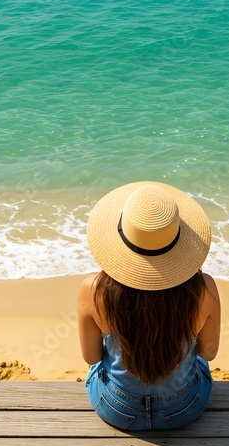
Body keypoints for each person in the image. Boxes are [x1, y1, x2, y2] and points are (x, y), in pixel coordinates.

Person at [77, 181, 221, 430]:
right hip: (184, 408)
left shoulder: (92, 289)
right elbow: (207, 353)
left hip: (117, 409)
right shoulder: (204, 288)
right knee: (201, 365)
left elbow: (91, 357)